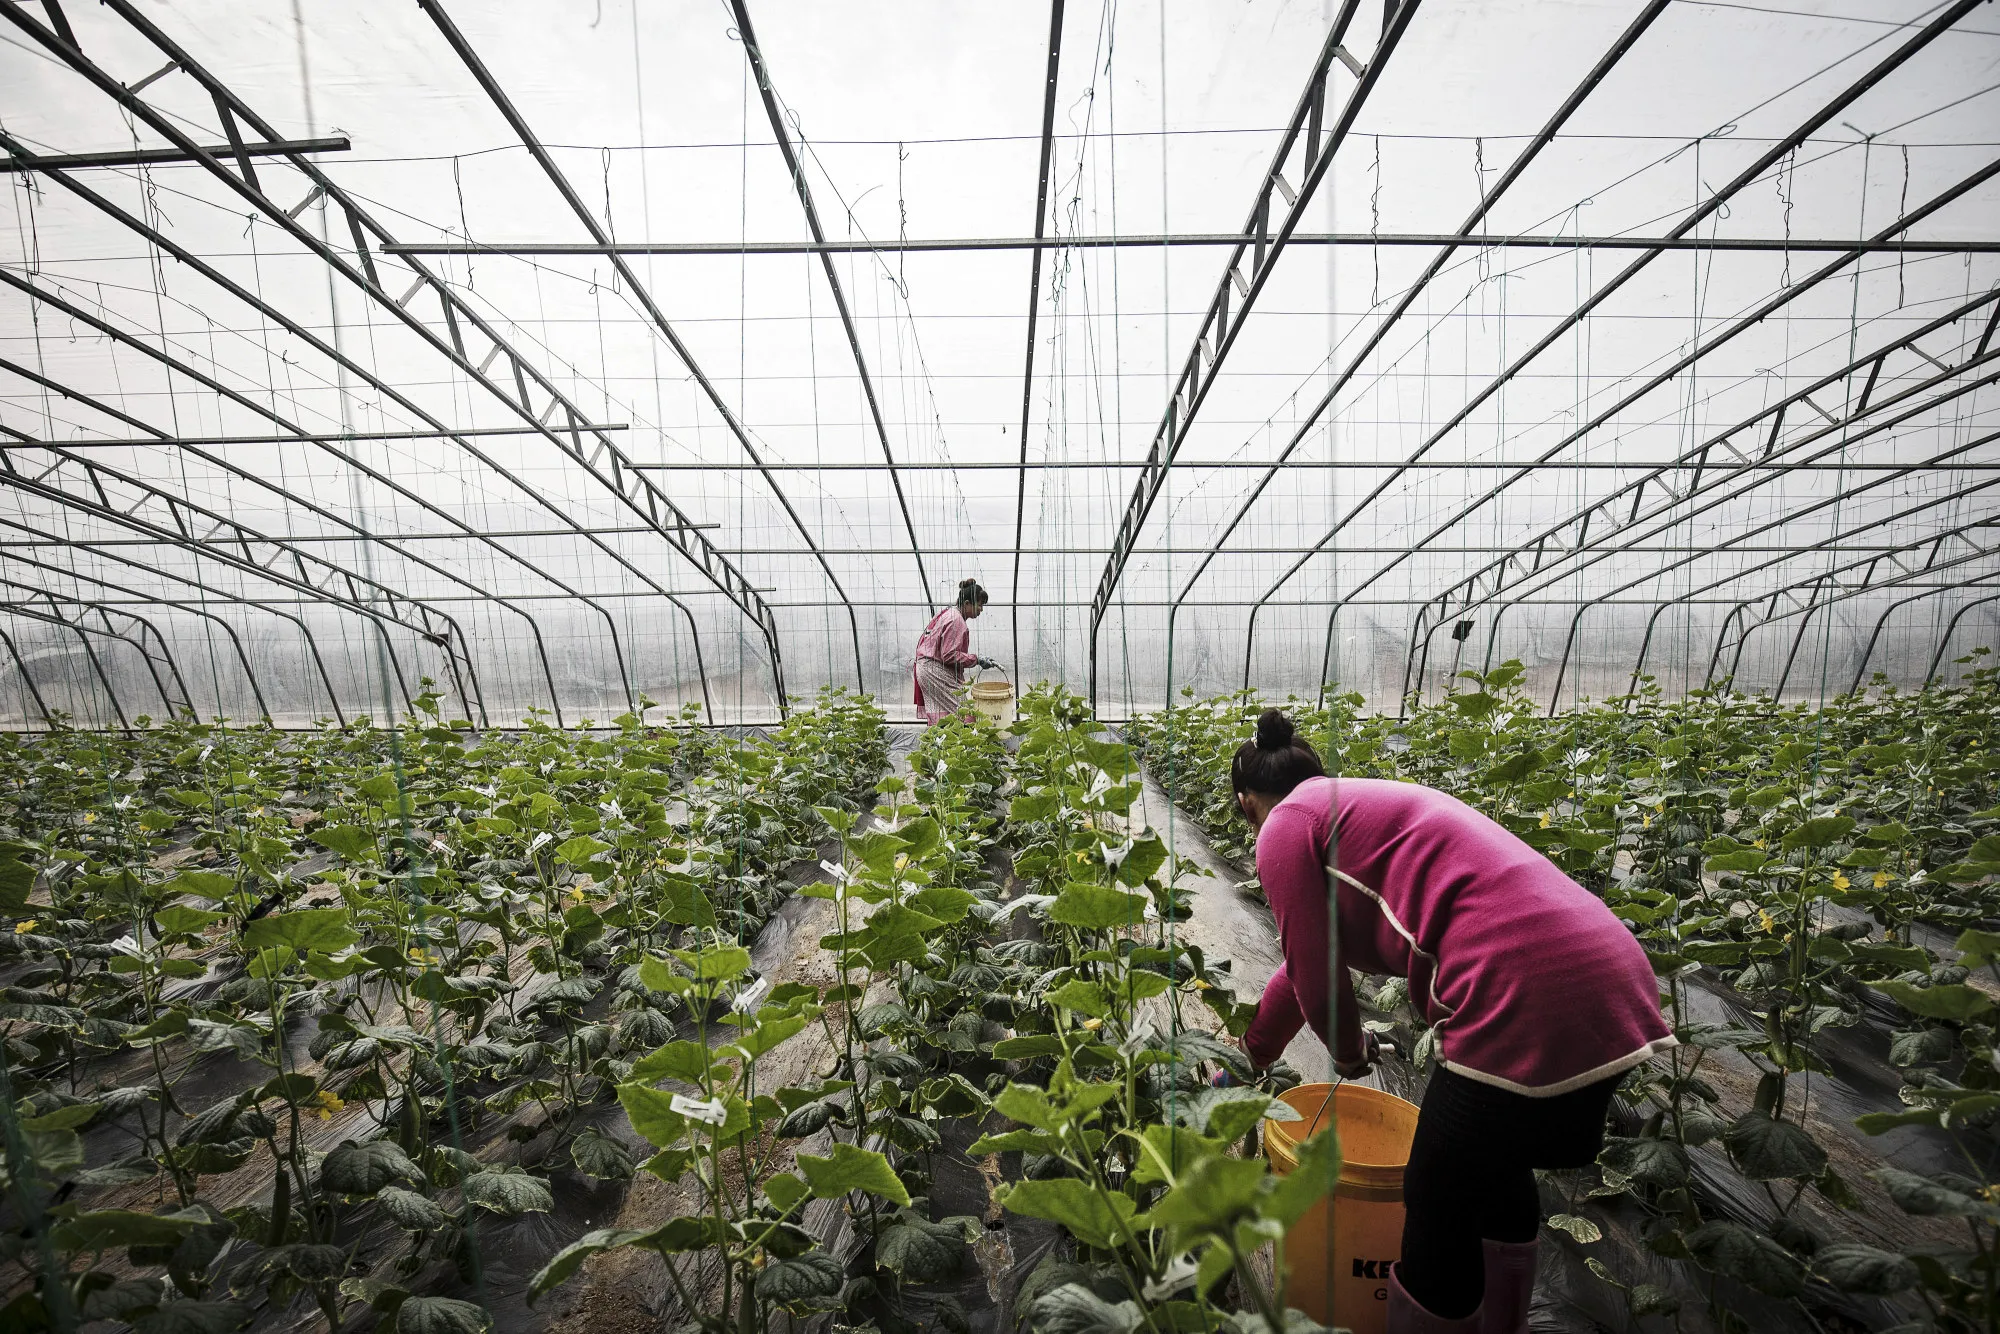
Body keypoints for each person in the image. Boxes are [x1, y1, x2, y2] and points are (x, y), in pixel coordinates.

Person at [1230, 709, 1673, 1334]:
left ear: (1247, 801)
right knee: (1494, 1169)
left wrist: (1350, 1055)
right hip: (1613, 975)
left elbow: (1315, 978)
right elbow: (1300, 965)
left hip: (1521, 987)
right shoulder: (1348, 806)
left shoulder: (1283, 827)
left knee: (1438, 1196)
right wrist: (1256, 1048)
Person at [912, 578, 997, 724]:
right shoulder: (956, 620)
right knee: (964, 714)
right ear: (967, 604)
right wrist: (976, 659)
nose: (981, 610)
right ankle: (966, 744)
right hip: (934, 670)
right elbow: (949, 655)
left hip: (927, 668)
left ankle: (940, 744)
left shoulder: (950, 613)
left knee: (944, 715)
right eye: (979, 605)